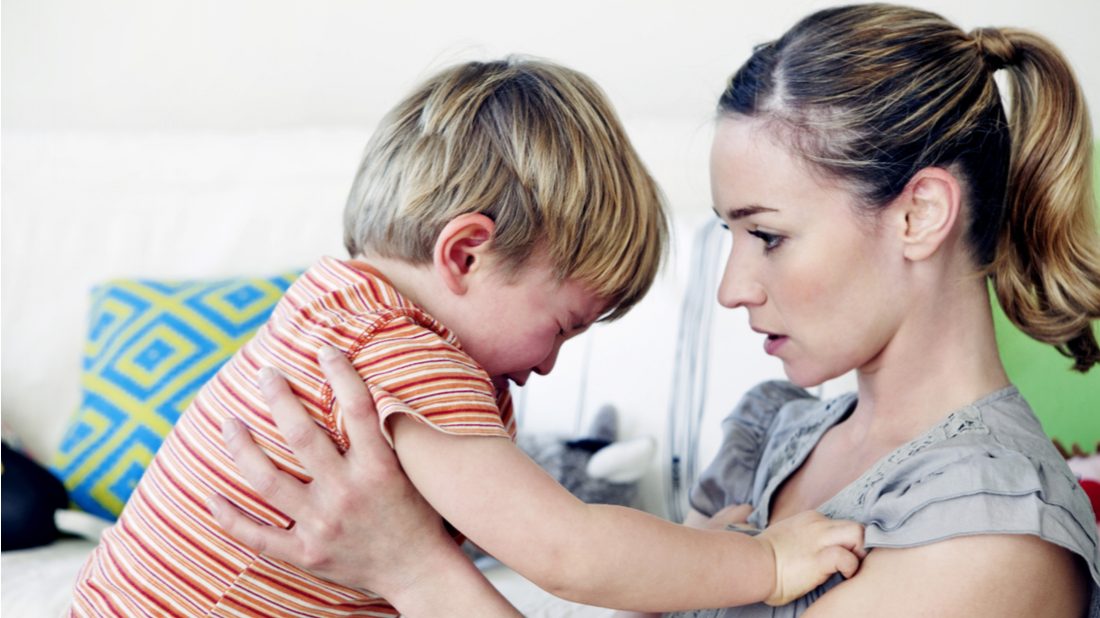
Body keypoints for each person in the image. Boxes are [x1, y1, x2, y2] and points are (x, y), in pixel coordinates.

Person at [209, 3, 1100, 617]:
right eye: (729, 236)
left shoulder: (991, 544)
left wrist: (411, 570)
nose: (732, 288)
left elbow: (570, 554)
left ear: (919, 215)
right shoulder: (780, 436)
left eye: (768, 235)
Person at [69, 58, 866, 617]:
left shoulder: (333, 312)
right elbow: (568, 551)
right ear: (464, 255)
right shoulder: (403, 349)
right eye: (561, 327)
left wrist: (688, 562)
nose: (547, 366)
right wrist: (762, 564)